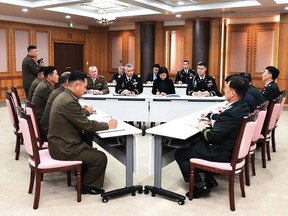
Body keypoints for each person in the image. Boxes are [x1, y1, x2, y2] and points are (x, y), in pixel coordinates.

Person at [175, 76, 250, 198]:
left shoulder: (231, 113)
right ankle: (209, 180)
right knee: (195, 145)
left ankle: (200, 186)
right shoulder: (243, 107)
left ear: (232, 93)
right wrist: (212, 124)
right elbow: (227, 128)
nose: (224, 89)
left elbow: (213, 137)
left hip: (221, 152)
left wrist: (202, 128)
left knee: (180, 154)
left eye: (226, 88)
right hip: (230, 148)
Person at [48, 70, 117, 195]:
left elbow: (77, 117)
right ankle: (86, 186)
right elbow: (87, 125)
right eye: (84, 87)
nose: (85, 90)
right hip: (64, 147)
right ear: (76, 86)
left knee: (88, 144)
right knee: (100, 158)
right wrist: (108, 125)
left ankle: (83, 176)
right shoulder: (68, 101)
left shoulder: (65, 96)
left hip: (60, 141)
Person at [40, 72, 73, 141]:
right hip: (50, 131)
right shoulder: (62, 94)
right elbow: (72, 114)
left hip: (47, 126)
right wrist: (87, 111)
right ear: (67, 82)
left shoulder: (57, 91)